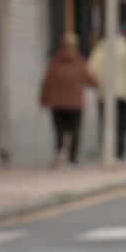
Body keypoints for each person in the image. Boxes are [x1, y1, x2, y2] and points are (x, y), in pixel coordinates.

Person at [87, 29, 126, 162]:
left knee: (106, 124)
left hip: (105, 94)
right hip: (124, 94)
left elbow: (91, 69)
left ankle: (107, 151)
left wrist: (97, 85)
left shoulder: (101, 49)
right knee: (121, 126)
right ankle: (119, 154)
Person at [39, 32, 97, 167]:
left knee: (59, 129)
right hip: (75, 103)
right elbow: (92, 80)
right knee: (75, 131)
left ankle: (60, 151)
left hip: (57, 103)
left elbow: (47, 82)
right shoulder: (80, 62)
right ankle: (72, 159)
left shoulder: (55, 62)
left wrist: (43, 99)